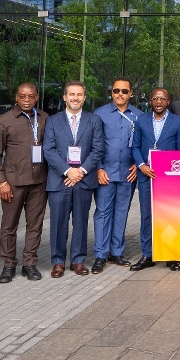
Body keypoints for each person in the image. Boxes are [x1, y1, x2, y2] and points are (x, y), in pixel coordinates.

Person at [0, 82, 48, 284]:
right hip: (12, 183)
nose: (26, 100)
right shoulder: (4, 120)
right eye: (22, 96)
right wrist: (1, 182)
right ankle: (8, 264)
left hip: (39, 182)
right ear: (16, 97)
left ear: (36, 97)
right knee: (9, 226)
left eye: (31, 96)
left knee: (35, 225)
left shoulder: (44, 118)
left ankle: (29, 263)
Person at [43, 82, 105, 278]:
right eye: (71, 94)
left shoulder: (94, 120)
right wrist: (68, 171)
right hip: (59, 180)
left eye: (79, 94)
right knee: (58, 223)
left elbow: (98, 149)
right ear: (64, 97)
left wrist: (81, 171)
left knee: (80, 222)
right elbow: (48, 150)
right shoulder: (52, 121)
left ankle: (78, 261)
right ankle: (58, 262)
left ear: (84, 98)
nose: (75, 98)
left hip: (83, 180)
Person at [132, 88, 180, 272]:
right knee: (147, 216)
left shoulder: (177, 121)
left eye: (162, 99)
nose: (158, 102)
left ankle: (173, 256)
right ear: (150, 101)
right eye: (155, 98)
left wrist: (174, 174)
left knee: (171, 216)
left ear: (168, 102)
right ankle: (148, 255)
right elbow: (135, 147)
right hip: (146, 175)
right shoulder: (142, 120)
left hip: (168, 179)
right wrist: (141, 165)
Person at [92, 77, 140, 273]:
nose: (120, 94)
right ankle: (100, 255)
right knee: (103, 213)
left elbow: (142, 143)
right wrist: (98, 168)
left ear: (131, 94)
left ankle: (116, 252)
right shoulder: (99, 114)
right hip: (106, 173)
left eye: (124, 91)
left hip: (128, 173)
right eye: (116, 91)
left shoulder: (138, 116)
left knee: (121, 212)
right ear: (111, 92)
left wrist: (138, 164)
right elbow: (92, 143)